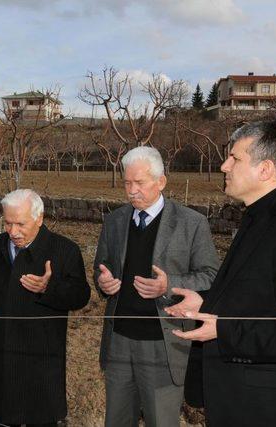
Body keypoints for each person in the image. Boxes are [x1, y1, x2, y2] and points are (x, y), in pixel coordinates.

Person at [167, 121, 276, 427]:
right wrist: (205, 303)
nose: (223, 166)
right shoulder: (260, 217)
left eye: (234, 158)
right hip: (245, 404)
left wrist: (224, 330)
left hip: (274, 411)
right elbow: (258, 296)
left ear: (265, 170)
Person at [93, 146, 219, 427]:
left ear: (161, 182)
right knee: (116, 420)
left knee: (161, 420)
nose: (131, 190)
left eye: (139, 183)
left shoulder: (191, 223)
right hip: (119, 342)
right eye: (127, 183)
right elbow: (100, 266)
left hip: (163, 343)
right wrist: (104, 281)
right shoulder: (114, 221)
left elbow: (211, 276)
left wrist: (169, 286)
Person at [0, 189, 90, 427]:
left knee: (40, 419)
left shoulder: (64, 251)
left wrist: (48, 287)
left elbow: (81, 296)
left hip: (40, 362)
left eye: (20, 224)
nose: (13, 231)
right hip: (0, 355)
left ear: (39, 218)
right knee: (0, 419)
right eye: (8, 223)